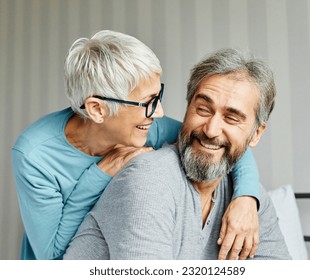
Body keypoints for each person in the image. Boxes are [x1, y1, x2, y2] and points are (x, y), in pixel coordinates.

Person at [12, 30, 259, 260]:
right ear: (97, 109)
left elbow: (219, 141)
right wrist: (98, 175)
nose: (159, 112)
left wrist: (246, 198)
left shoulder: (150, 128)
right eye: (148, 102)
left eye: (158, 96)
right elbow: (51, 255)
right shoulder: (35, 156)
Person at [64, 48, 291, 260]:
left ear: (256, 133)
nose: (211, 130)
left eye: (231, 118)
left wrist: (247, 199)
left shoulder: (250, 200)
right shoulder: (149, 178)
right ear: (187, 107)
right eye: (202, 109)